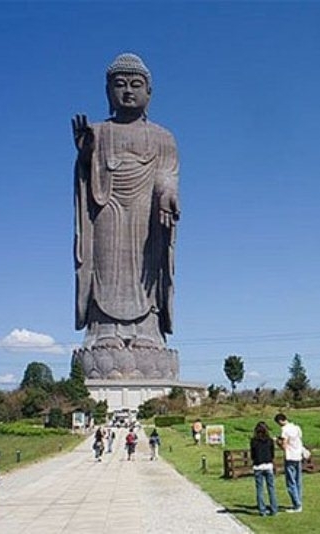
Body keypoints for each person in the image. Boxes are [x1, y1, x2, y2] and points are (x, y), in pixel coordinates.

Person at [72, 52, 179, 358]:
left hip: (147, 213)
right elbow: (85, 175)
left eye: (136, 84)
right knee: (105, 264)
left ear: (149, 92)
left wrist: (168, 195)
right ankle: (104, 329)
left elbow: (167, 173)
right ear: (109, 91)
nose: (128, 91)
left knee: (148, 268)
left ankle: (148, 330)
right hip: (107, 208)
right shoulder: (99, 131)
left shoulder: (163, 137)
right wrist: (85, 155)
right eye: (120, 84)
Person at [274, 413, 303, 512]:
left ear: (280, 421)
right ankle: (298, 501)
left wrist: (277, 442)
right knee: (298, 481)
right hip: (298, 456)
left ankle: (296, 504)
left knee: (290, 482)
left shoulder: (284, 430)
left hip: (290, 456)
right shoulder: (296, 427)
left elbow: (284, 445)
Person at [250, 422, 278, 517]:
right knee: (271, 488)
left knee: (260, 489)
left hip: (258, 466)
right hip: (268, 465)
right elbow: (272, 453)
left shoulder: (254, 441)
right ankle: (274, 509)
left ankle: (262, 510)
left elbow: (253, 454)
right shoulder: (270, 440)